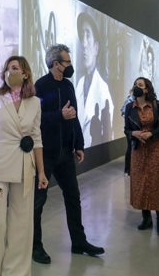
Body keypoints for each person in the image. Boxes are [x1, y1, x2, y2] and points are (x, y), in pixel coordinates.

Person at [32, 44, 104, 264]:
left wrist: (79, 144)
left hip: (66, 153)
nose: (71, 66)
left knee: (73, 197)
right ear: (56, 64)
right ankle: (35, 247)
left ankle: (79, 242)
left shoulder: (69, 85)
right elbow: (35, 120)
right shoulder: (40, 86)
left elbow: (74, 115)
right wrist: (58, 115)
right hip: (46, 155)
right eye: (68, 62)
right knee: (38, 202)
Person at [0, 56, 48, 276]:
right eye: (7, 69)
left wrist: (42, 171)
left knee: (22, 224)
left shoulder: (35, 103)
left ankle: (16, 272)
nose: (10, 72)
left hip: (25, 170)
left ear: (25, 73)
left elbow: (36, 138)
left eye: (15, 68)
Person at [124, 77, 159, 236]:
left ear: (146, 89)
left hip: (156, 148)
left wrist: (151, 134)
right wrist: (134, 133)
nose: (136, 87)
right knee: (142, 184)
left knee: (158, 183)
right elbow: (126, 129)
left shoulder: (157, 105)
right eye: (135, 84)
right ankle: (146, 218)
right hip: (138, 151)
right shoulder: (130, 108)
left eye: (140, 85)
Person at [75, 12, 113, 147]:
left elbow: (107, 133)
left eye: (88, 35)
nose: (84, 43)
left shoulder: (103, 91)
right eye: (82, 36)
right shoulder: (79, 85)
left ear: (96, 48)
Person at [120, 87, 135, 176]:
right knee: (130, 148)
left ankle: (130, 169)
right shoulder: (129, 100)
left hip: (134, 128)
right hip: (130, 129)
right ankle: (127, 169)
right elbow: (123, 111)